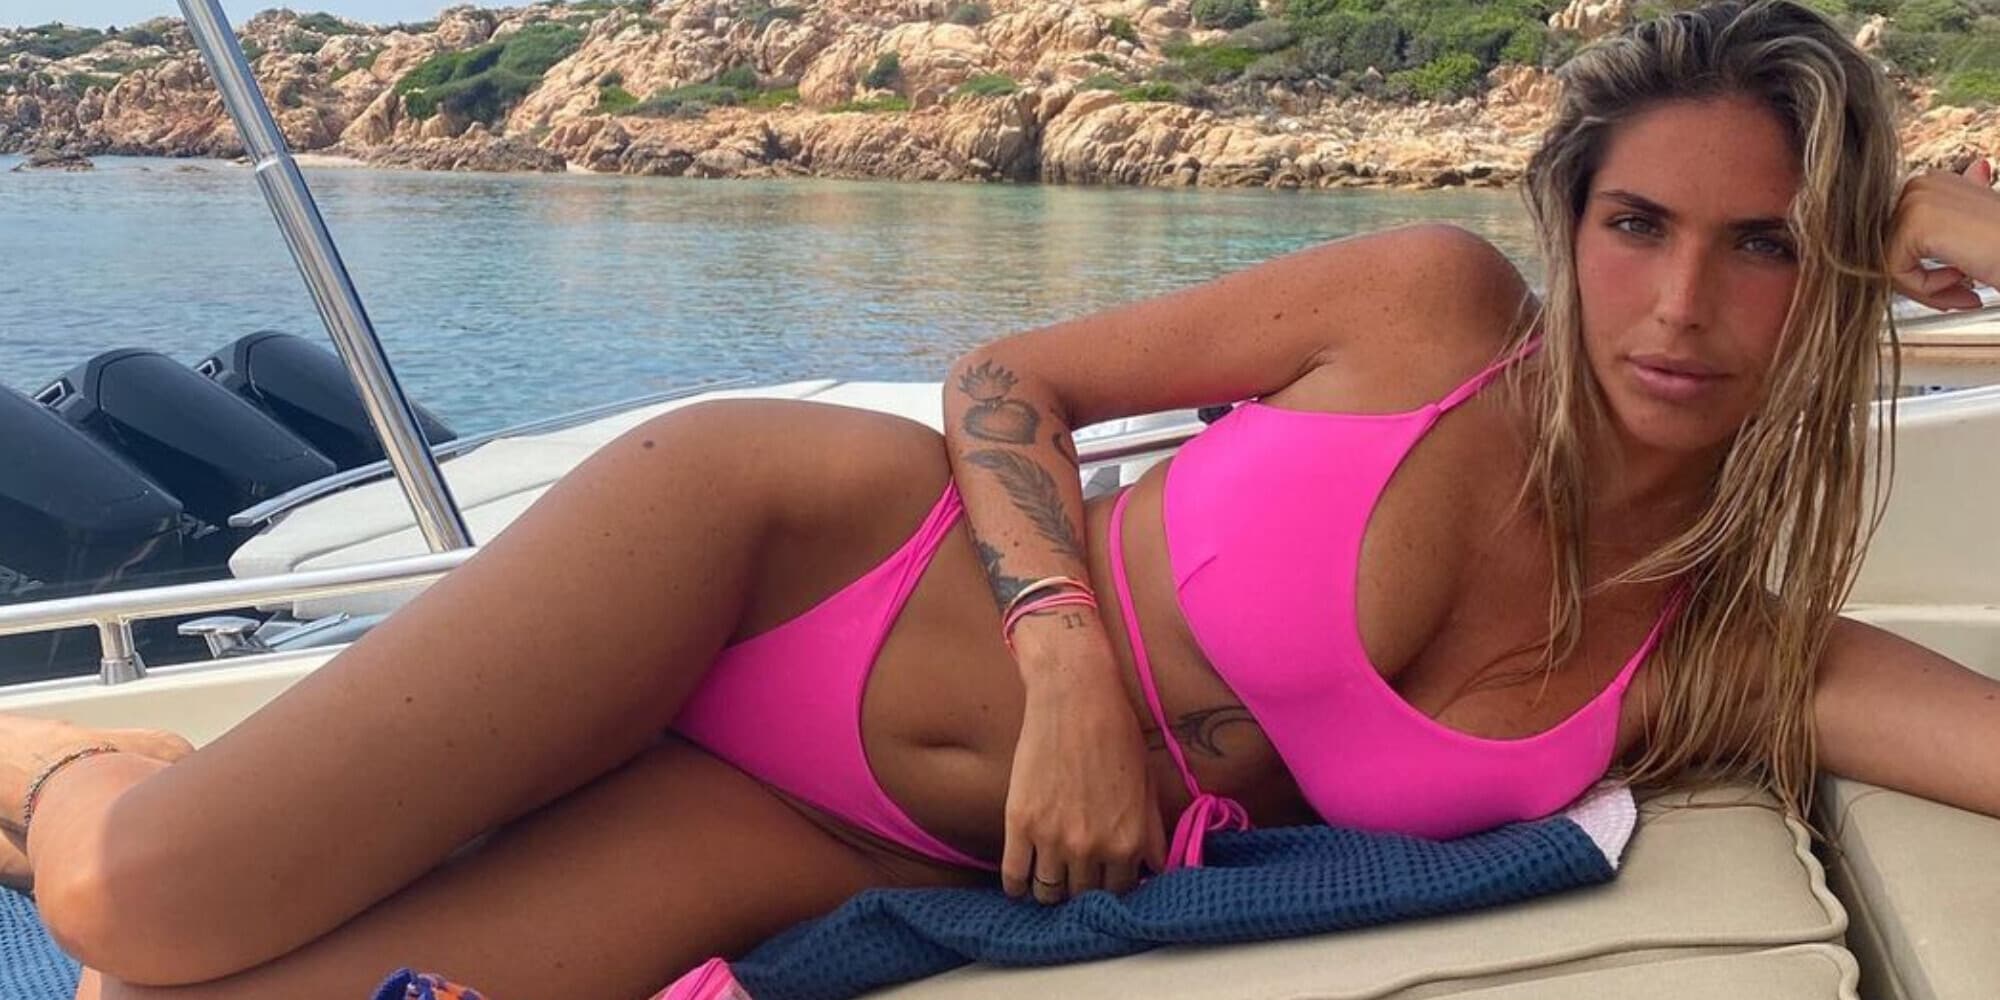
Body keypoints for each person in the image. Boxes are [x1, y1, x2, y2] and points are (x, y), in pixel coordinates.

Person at [4, 1, 1999, 996]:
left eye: (1759, 245)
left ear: (1829, 270)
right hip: (791, 563)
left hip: (809, 831)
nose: (1677, 304)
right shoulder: (1427, 312)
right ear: (1571, 221)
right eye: (1639, 224)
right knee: (141, 899)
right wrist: (1069, 666)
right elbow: (1002, 380)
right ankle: (58, 763)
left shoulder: (1725, 654)